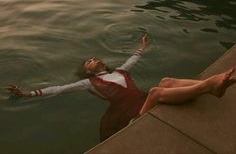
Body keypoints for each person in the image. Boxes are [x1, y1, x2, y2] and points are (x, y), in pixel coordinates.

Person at [7, 34, 236, 141]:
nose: (93, 58)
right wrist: (26, 93)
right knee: (156, 92)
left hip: (142, 103)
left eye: (94, 57)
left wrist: (142, 46)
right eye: (88, 61)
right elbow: (58, 88)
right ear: (87, 71)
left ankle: (215, 82)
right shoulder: (88, 82)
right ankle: (210, 85)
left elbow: (133, 58)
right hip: (132, 116)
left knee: (165, 80)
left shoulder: (121, 72)